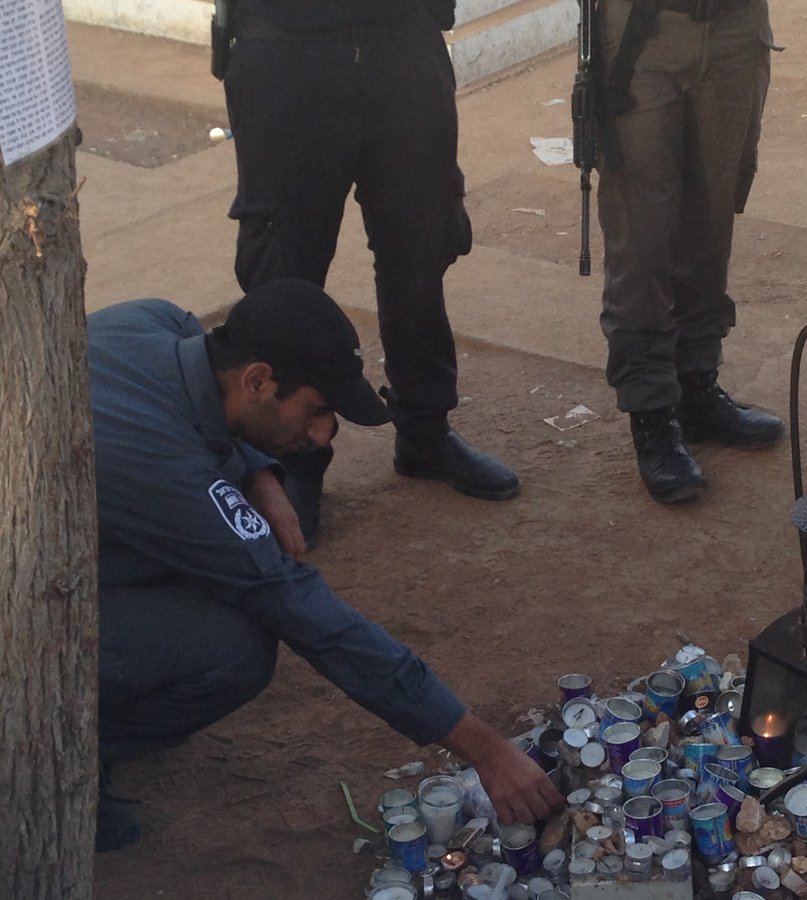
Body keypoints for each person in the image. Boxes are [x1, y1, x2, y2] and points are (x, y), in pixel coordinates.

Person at [89, 280, 563, 851]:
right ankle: (58, 751)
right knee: (235, 647)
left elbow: (194, 343)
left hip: (74, 537)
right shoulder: (163, 468)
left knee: (213, 568)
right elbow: (301, 609)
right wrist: (484, 748)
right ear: (258, 380)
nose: (322, 435)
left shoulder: (151, 321)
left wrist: (260, 473)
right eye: (316, 410)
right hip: (22, 613)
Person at [219, 0, 517, 545]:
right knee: (286, 270)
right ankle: (293, 460)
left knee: (421, 250)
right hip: (286, 46)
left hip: (403, 39)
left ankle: (425, 430)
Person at [593, 0, 786, 503]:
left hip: (736, 29)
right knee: (643, 233)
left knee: (711, 217)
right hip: (643, 29)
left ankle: (696, 384)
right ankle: (652, 411)